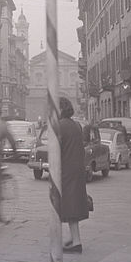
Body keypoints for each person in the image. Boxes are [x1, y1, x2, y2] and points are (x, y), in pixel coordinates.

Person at [57, 96, 89, 253]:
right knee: (73, 203)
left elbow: (56, 151)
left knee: (69, 204)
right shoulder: (76, 125)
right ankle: (73, 237)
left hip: (67, 170)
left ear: (61, 109)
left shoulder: (59, 126)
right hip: (77, 169)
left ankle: (76, 242)